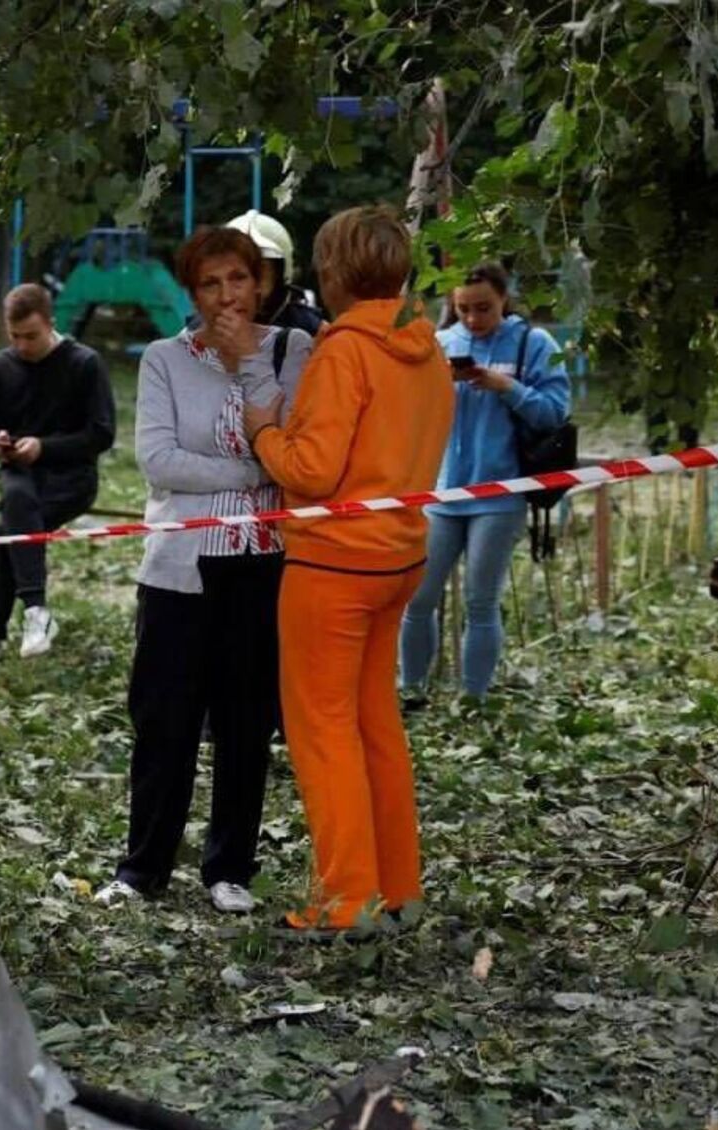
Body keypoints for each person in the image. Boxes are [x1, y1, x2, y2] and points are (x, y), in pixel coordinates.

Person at [242, 205, 454, 934]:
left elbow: (313, 470)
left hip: (334, 564)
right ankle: (398, 889)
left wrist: (266, 433)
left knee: (324, 731)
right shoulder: (426, 348)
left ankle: (346, 901)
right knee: (374, 725)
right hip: (399, 558)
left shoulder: (344, 352)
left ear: (333, 273)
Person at [92, 229, 310, 913]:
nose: (227, 297)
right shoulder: (164, 359)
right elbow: (158, 461)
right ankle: (143, 867)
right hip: (181, 567)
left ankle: (230, 869)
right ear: (192, 292)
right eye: (211, 284)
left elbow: (293, 445)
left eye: (238, 281)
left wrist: (250, 364)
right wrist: (252, 470)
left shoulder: (294, 351)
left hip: (261, 564)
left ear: (263, 283)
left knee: (246, 720)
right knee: (165, 718)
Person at [400, 262, 572, 702]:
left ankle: (473, 698)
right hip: (441, 493)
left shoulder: (533, 343)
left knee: (480, 602)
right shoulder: (439, 343)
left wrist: (504, 386)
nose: (473, 319)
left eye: (484, 309)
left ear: (504, 301)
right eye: (463, 309)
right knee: (417, 600)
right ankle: (412, 689)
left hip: (501, 493)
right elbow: (409, 414)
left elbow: (554, 412)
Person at [0, 283, 115, 678]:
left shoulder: (85, 364)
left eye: (31, 336)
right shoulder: (0, 366)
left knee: (7, 529)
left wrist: (44, 448)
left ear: (51, 323)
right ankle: (33, 613)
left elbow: (102, 434)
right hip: (19, 476)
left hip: (70, 479)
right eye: (14, 337)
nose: (23, 345)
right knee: (10, 519)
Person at [226, 210, 326, 336]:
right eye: (236, 272)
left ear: (279, 273)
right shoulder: (198, 332)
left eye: (259, 268)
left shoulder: (315, 332)